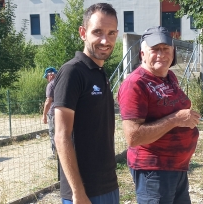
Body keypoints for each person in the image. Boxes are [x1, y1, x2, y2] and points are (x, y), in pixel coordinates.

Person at [118, 26, 201, 204]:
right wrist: (176, 119)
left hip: (177, 168)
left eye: (166, 49)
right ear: (142, 53)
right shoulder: (135, 84)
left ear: (173, 52)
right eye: (154, 49)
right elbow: (133, 136)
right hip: (153, 170)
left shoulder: (170, 76)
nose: (161, 55)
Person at [53, 3, 119, 204]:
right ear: (83, 33)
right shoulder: (73, 72)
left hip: (107, 184)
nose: (104, 40)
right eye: (97, 32)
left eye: (111, 33)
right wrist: (78, 192)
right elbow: (61, 136)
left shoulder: (99, 73)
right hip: (84, 192)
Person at [42, 67, 58, 159]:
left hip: (53, 113)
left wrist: (44, 115)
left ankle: (55, 154)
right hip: (65, 112)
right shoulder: (63, 82)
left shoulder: (51, 85)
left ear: (50, 75)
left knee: (53, 133)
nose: (47, 79)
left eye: (46, 77)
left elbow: (48, 100)